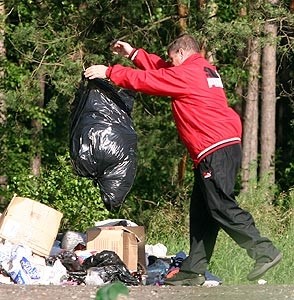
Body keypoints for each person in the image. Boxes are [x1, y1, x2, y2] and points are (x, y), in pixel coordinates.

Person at [84, 34, 282, 286]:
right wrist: (133, 54)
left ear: (180, 53)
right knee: (202, 212)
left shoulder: (188, 74)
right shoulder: (203, 69)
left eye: (171, 57)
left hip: (214, 148)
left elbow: (150, 80)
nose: (169, 62)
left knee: (221, 205)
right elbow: (163, 72)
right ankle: (193, 270)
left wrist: (110, 71)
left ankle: (264, 251)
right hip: (219, 147)